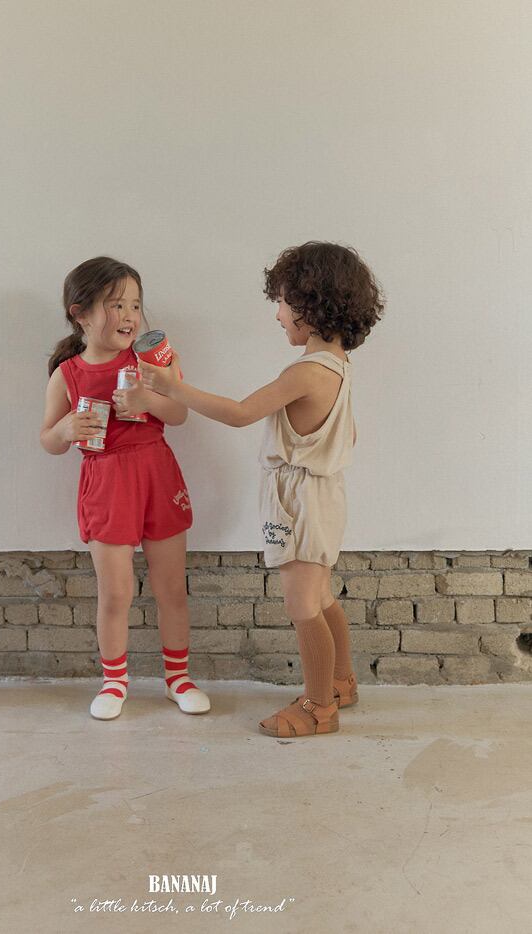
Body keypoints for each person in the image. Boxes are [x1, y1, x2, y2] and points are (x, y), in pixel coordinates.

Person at [140, 242, 383, 738]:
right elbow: (349, 433)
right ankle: (340, 682)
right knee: (321, 594)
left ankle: (319, 708)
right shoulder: (339, 365)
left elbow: (239, 413)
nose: (278, 314)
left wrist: (171, 387)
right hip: (324, 493)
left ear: (311, 305)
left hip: (299, 500)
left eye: (283, 302)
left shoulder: (306, 372)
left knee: (302, 604)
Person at [40, 256, 210, 720]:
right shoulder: (67, 374)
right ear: (80, 313)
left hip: (158, 474)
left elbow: (179, 414)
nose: (130, 315)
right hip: (106, 483)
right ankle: (114, 682)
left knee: (171, 587)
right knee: (115, 593)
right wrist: (66, 429)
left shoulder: (152, 360)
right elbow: (48, 439)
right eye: (116, 305)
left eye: (135, 304)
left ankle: (178, 679)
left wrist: (147, 398)